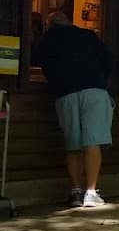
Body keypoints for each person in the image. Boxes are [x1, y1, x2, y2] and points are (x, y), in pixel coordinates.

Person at [36, 11, 114, 207]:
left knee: (73, 144)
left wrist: (56, 81)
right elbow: (108, 59)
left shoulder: (47, 40)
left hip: (66, 93)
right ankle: (91, 193)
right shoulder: (87, 35)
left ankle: (76, 193)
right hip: (94, 90)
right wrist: (102, 80)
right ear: (69, 22)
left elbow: (41, 63)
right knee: (92, 142)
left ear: (49, 25)